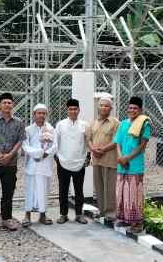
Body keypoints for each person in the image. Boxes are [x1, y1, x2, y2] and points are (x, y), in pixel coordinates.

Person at [0, 93, 26, 232]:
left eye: (9, 102)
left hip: (11, 163)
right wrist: (0, 155)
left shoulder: (19, 122)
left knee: (8, 192)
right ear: (0, 105)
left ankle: (6, 219)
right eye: (4, 102)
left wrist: (9, 156)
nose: (7, 105)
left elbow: (20, 141)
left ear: (12, 105)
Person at [114, 96, 151, 233]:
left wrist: (127, 158)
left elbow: (142, 145)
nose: (132, 110)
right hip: (121, 164)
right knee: (121, 193)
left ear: (140, 110)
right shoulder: (123, 123)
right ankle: (124, 219)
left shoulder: (145, 124)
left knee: (134, 194)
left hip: (135, 165)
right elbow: (117, 142)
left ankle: (137, 223)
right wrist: (120, 157)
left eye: (135, 108)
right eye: (130, 108)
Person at [21, 104, 58, 227]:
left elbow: (55, 146)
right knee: (30, 189)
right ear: (34, 115)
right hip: (32, 163)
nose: (41, 115)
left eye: (43, 113)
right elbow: (25, 146)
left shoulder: (51, 129)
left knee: (44, 189)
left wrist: (46, 154)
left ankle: (43, 214)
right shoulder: (28, 129)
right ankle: (27, 215)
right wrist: (37, 154)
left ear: (46, 115)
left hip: (45, 163)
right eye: (39, 113)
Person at [55, 98, 89, 224]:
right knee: (63, 189)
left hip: (79, 162)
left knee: (79, 189)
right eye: (70, 109)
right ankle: (63, 214)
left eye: (75, 109)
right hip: (63, 162)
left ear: (79, 110)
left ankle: (79, 214)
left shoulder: (85, 125)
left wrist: (87, 158)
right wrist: (57, 158)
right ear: (67, 110)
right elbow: (55, 142)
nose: (73, 111)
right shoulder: (60, 124)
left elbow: (88, 142)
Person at [87, 93, 120, 222]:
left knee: (110, 187)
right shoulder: (93, 122)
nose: (104, 108)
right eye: (101, 105)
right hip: (97, 159)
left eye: (106, 106)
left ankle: (111, 213)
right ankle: (101, 211)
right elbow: (88, 138)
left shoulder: (116, 122)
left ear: (111, 108)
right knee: (99, 186)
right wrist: (93, 149)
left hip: (110, 159)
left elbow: (117, 140)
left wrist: (104, 149)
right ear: (98, 108)